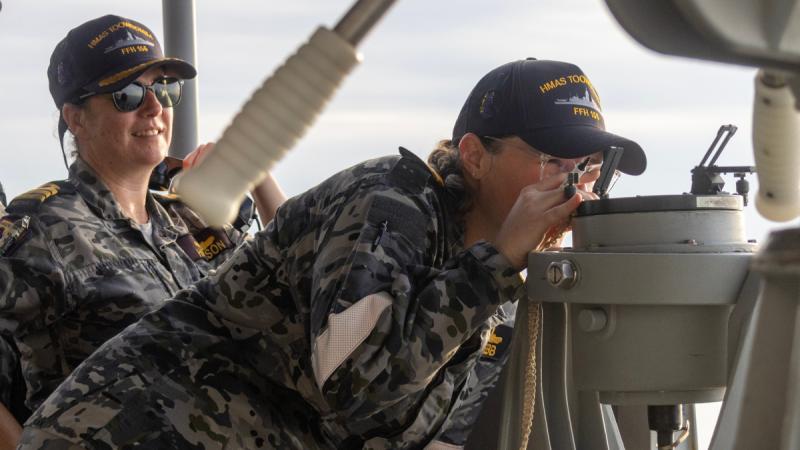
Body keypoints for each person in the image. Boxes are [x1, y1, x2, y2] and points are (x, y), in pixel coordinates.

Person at [19, 58, 646, 449]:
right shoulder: (391, 207)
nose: (575, 186)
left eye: (590, 166)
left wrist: (501, 266)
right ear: (476, 156)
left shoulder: (499, 282)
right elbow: (358, 387)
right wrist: (500, 261)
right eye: (553, 161)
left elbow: (432, 434)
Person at [0, 14, 285, 446]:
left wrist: (258, 172)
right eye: (127, 95)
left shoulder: (190, 219)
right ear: (76, 119)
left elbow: (294, 290)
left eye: (166, 88)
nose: (155, 108)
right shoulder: (43, 227)